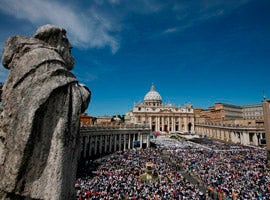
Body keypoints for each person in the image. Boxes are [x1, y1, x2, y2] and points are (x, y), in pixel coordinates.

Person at [0, 24, 90, 200]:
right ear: (57, 41)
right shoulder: (46, 58)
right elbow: (67, 95)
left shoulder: (28, 60)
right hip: (37, 158)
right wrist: (85, 91)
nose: (71, 47)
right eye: (67, 42)